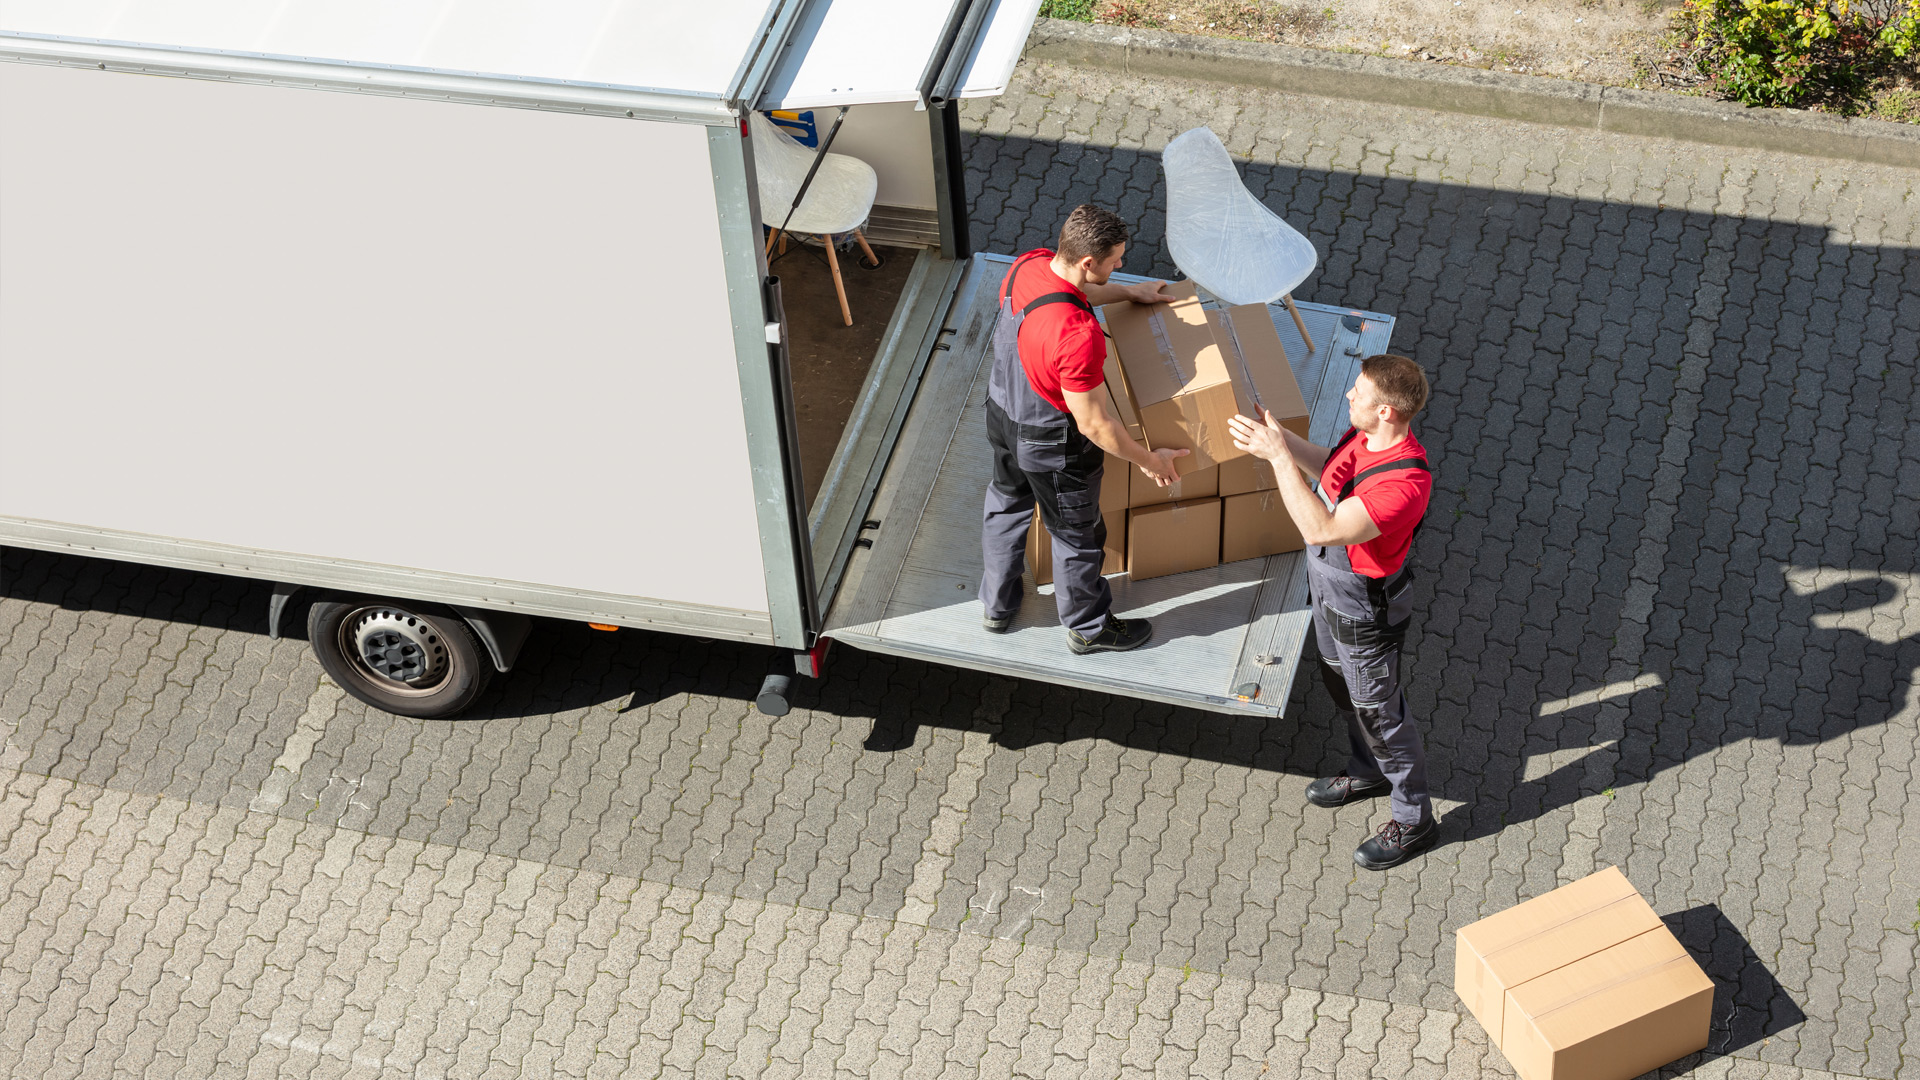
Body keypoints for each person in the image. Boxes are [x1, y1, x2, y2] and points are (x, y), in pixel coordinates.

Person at [1228, 355, 1437, 870]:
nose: (1348, 395)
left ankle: (1414, 820)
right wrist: (1282, 439)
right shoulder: (1362, 437)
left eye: (1359, 391)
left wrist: (1278, 459)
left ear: (1386, 410)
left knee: (1380, 714)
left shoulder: (1403, 485)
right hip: (1327, 591)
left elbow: (1321, 528)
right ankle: (1368, 770)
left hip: (1362, 609)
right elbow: (1332, 473)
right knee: (1339, 686)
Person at [979, 205, 1188, 653]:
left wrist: (1131, 293)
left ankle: (996, 606)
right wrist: (1150, 460)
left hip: (1001, 412)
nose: (1121, 266)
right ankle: (1088, 627)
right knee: (1077, 535)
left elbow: (1065, 295)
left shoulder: (1028, 265)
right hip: (1050, 444)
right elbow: (1094, 424)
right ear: (1088, 262)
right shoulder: (1077, 336)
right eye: (1116, 261)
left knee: (1006, 503)